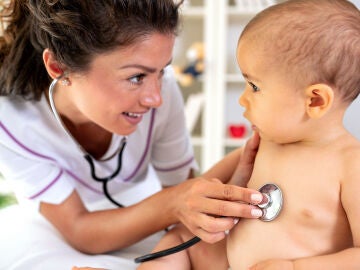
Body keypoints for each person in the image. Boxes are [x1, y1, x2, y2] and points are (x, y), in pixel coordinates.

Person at [0, 0, 265, 269]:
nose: (156, 98)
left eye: (161, 71)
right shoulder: (9, 119)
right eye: (136, 77)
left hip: (145, 208)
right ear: (59, 68)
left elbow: (182, 191)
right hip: (56, 233)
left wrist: (248, 155)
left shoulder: (164, 90)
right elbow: (80, 230)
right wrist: (173, 203)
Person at [137, 0, 360, 269]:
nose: (243, 100)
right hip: (229, 262)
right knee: (181, 238)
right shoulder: (263, 144)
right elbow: (198, 192)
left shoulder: (351, 165)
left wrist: (294, 268)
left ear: (315, 101)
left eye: (254, 86)